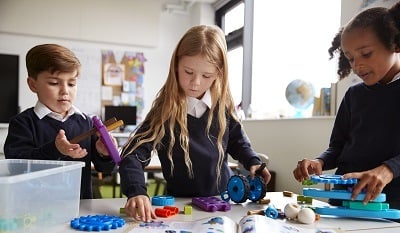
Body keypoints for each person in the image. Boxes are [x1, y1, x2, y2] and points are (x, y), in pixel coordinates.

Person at [119, 25, 271, 221]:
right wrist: (136, 191)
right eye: (188, 72)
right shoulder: (164, 111)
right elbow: (133, 153)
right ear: (176, 65)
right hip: (180, 207)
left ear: (218, 74)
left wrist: (253, 161)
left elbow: (238, 142)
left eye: (206, 76)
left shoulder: (223, 108)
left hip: (223, 203)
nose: (195, 82)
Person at [293, 2, 400, 209]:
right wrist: (320, 162)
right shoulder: (354, 95)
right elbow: (338, 147)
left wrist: (387, 170)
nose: (357, 65)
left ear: (395, 44)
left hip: (390, 206)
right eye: (350, 59)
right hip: (344, 201)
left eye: (366, 54)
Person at [4, 44, 117, 199]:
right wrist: (56, 150)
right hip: (36, 210)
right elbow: (17, 167)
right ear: (33, 84)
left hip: (79, 208)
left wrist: (104, 153)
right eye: (54, 83)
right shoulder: (22, 123)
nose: (65, 91)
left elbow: (105, 169)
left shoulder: (85, 121)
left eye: (71, 83)